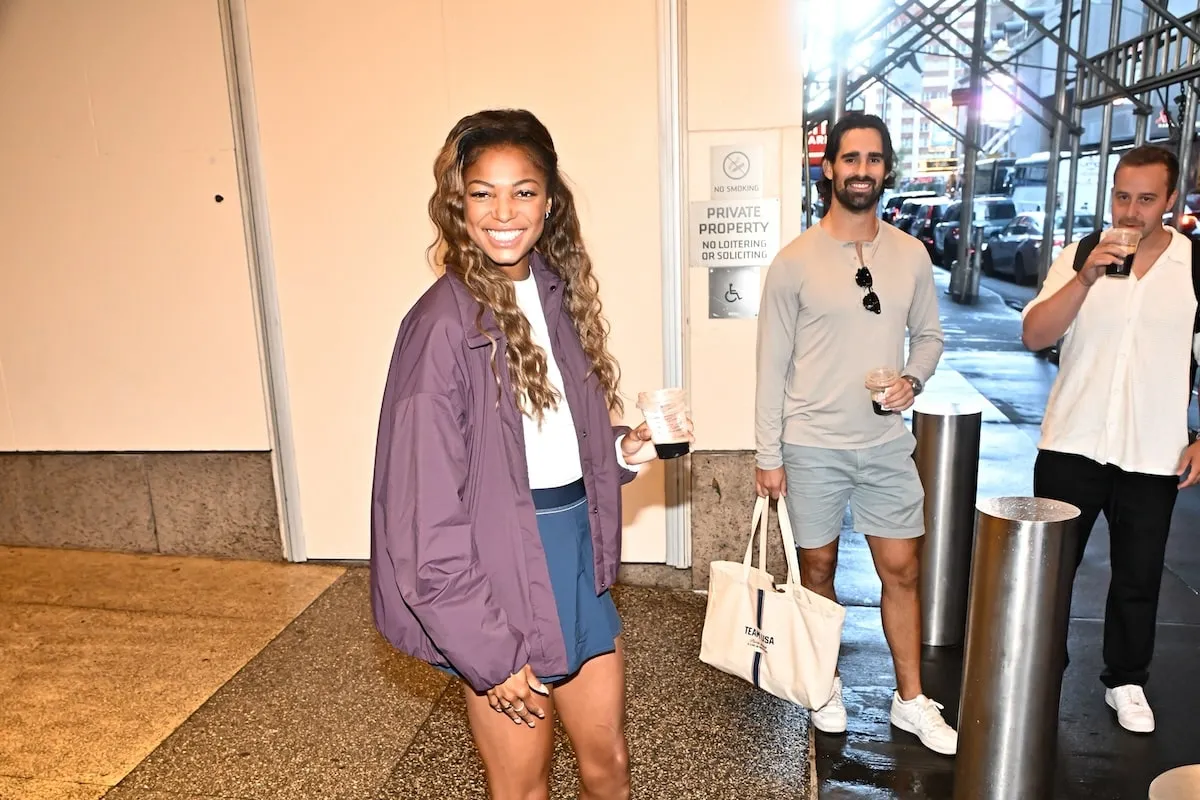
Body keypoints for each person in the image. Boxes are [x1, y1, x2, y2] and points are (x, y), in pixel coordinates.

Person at [370, 108, 691, 799]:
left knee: (609, 764)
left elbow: (546, 454)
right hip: (495, 578)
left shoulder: (552, 296)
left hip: (574, 564)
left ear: (549, 202)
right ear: (458, 204)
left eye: (523, 190)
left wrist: (623, 448)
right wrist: (490, 653)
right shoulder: (439, 328)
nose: (503, 211)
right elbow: (424, 522)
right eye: (482, 192)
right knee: (524, 783)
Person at [754, 112, 957, 755]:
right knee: (816, 567)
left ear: (885, 169)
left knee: (901, 567)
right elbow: (770, 365)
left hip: (883, 442)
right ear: (829, 168)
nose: (861, 170)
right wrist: (768, 454)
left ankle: (911, 699)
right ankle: (826, 682)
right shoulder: (794, 262)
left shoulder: (912, 255)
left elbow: (928, 337)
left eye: (873, 159)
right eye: (850, 158)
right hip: (810, 444)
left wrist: (913, 381)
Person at [1021, 144, 1200, 735]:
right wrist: (1087, 275)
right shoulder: (1080, 254)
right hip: (1072, 441)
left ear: (1171, 200)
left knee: (1138, 576)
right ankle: (1041, 670)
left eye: (1147, 199)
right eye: (1122, 196)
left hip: (1153, 450)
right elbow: (1034, 333)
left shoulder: (1192, 267)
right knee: (1050, 573)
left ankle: (1126, 680)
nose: (1131, 210)